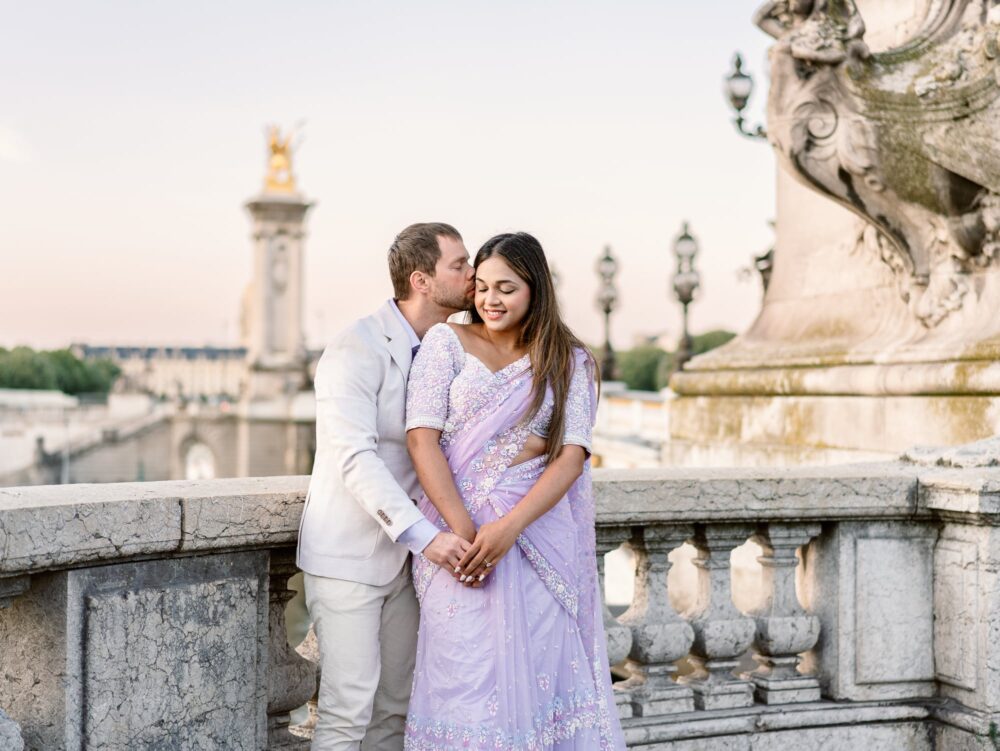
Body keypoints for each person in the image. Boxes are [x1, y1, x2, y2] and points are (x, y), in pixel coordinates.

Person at [403, 232, 627, 750]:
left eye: (506, 287)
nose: (489, 299)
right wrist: (468, 534)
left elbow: (571, 455)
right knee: (467, 683)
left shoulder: (569, 359)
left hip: (537, 541)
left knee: (542, 682)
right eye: (480, 286)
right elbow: (422, 438)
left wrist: (508, 528)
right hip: (456, 548)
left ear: (536, 289)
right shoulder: (446, 342)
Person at [297, 222, 477, 750]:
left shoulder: (451, 348)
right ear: (421, 281)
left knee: (397, 711)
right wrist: (427, 536)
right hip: (350, 557)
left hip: (411, 565)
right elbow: (355, 458)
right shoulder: (354, 348)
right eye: (460, 265)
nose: (473, 275)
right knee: (347, 711)